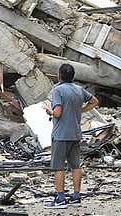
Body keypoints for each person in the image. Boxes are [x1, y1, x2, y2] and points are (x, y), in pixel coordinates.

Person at [43, 63, 99, 209]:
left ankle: (60, 198)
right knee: (75, 166)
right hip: (75, 134)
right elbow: (95, 101)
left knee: (58, 167)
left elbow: (58, 113)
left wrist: (49, 111)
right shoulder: (79, 90)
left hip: (61, 134)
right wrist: (81, 110)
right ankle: (76, 197)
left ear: (59, 75)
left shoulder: (58, 90)